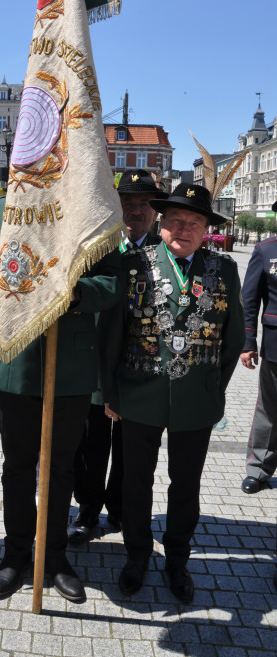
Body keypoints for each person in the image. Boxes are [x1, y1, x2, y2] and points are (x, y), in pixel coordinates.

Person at [0, 195, 121, 602]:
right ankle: (15, 555)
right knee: (18, 467)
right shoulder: (0, 211)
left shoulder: (88, 207)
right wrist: (10, 237)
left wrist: (74, 292)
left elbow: (112, 283)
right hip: (16, 363)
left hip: (69, 367)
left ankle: (54, 557)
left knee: (60, 468)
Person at [101, 183, 244, 603]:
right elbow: (111, 334)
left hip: (196, 397)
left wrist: (215, 390)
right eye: (176, 220)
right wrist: (110, 392)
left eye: (194, 222)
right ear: (162, 223)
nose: (184, 228)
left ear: (206, 230)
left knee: (186, 486)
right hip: (138, 392)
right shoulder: (133, 265)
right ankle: (136, 557)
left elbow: (232, 338)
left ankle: (177, 561)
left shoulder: (224, 269)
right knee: (135, 483)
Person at [68, 169, 166, 544]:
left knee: (131, 443)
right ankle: (88, 510)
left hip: (141, 365)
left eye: (143, 204)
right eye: (127, 203)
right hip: (94, 362)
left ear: (155, 211)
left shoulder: (162, 253)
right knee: (91, 442)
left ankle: (120, 508)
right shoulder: (97, 247)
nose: (135, 211)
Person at [239, 199, 277, 494]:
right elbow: (249, 299)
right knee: (269, 409)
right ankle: (259, 468)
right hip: (276, 345)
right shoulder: (266, 250)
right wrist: (248, 341)